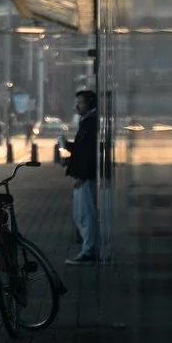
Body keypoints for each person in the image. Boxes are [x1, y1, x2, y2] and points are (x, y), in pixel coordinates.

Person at [60, 88, 99, 264]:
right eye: (76, 102)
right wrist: (68, 150)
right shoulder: (87, 121)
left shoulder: (91, 122)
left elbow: (89, 153)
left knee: (85, 215)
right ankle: (88, 248)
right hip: (83, 176)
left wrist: (81, 175)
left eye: (81, 102)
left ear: (90, 103)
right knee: (81, 215)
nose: (77, 105)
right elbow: (82, 150)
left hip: (86, 178)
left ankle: (89, 251)